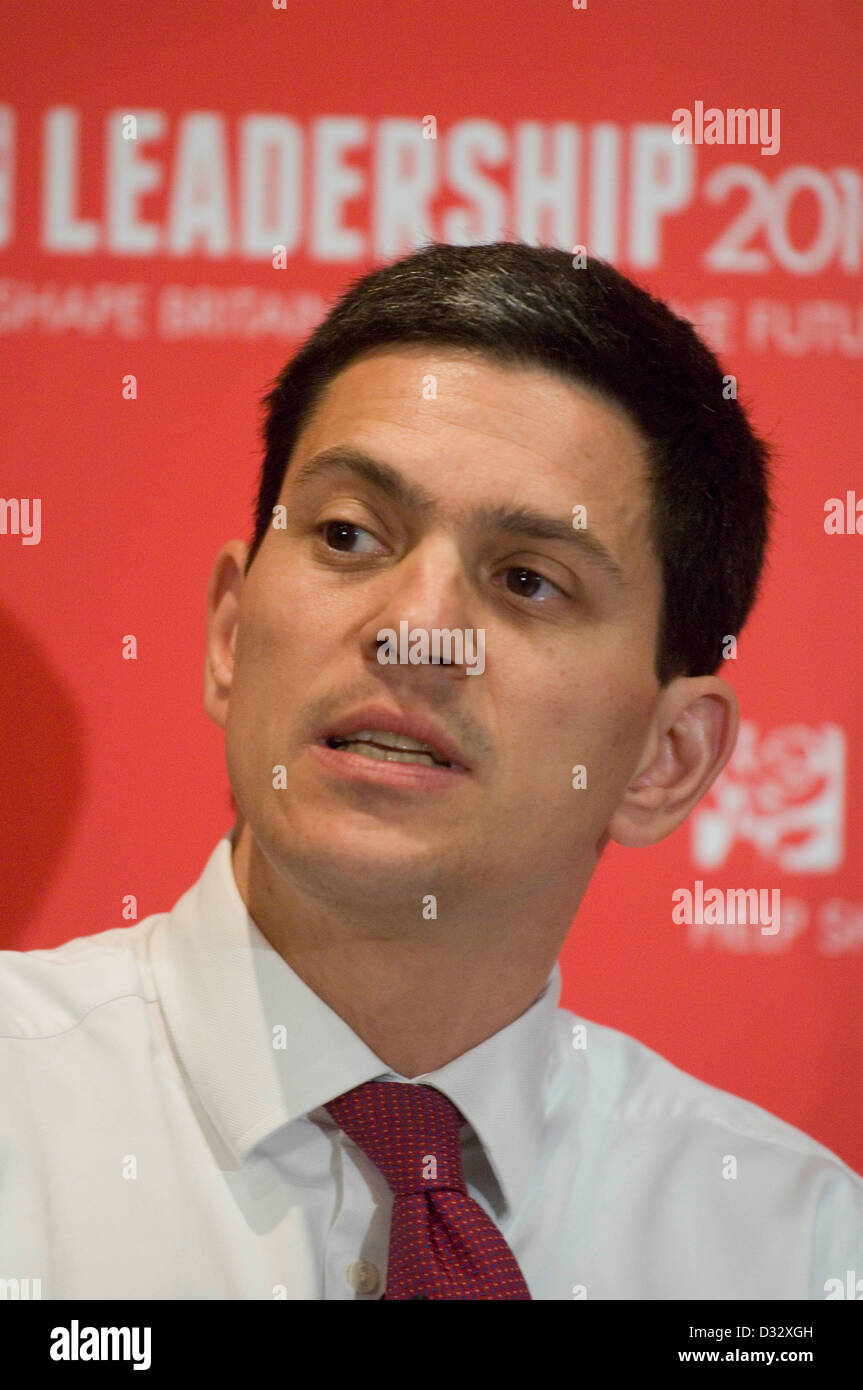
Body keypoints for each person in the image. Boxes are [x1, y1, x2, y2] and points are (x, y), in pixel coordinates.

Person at [1, 241, 860, 1301]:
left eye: (528, 581)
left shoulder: (793, 1252)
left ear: (663, 758)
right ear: (230, 634)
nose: (415, 631)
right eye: (351, 533)